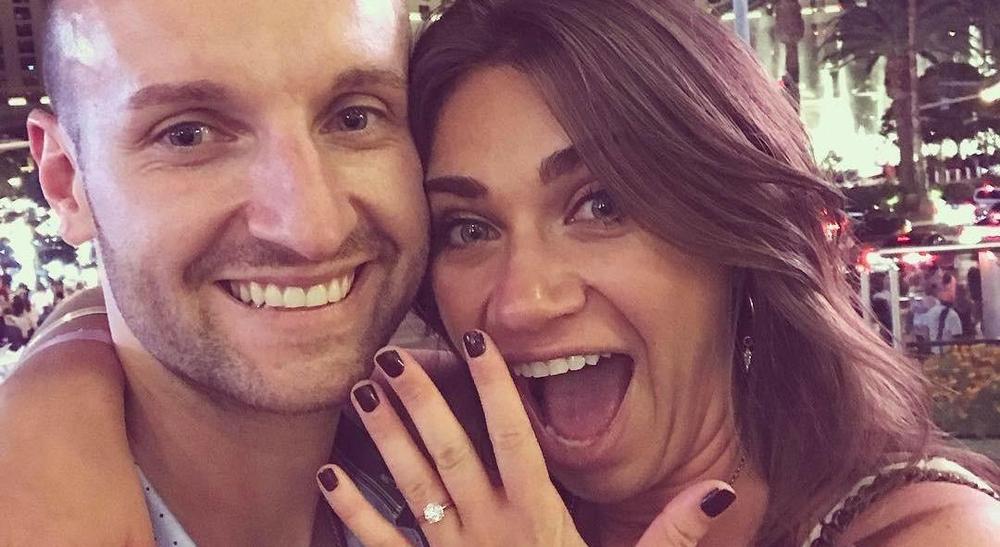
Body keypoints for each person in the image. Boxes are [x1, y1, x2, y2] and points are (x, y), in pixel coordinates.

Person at [4, 1, 1000, 546]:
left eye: (601, 204)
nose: (309, 226)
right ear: (65, 179)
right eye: (469, 225)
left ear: (733, 222)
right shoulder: (434, 454)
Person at [1, 0, 432, 545]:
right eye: (187, 135)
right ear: (66, 182)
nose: (312, 229)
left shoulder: (485, 466)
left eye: (355, 118)